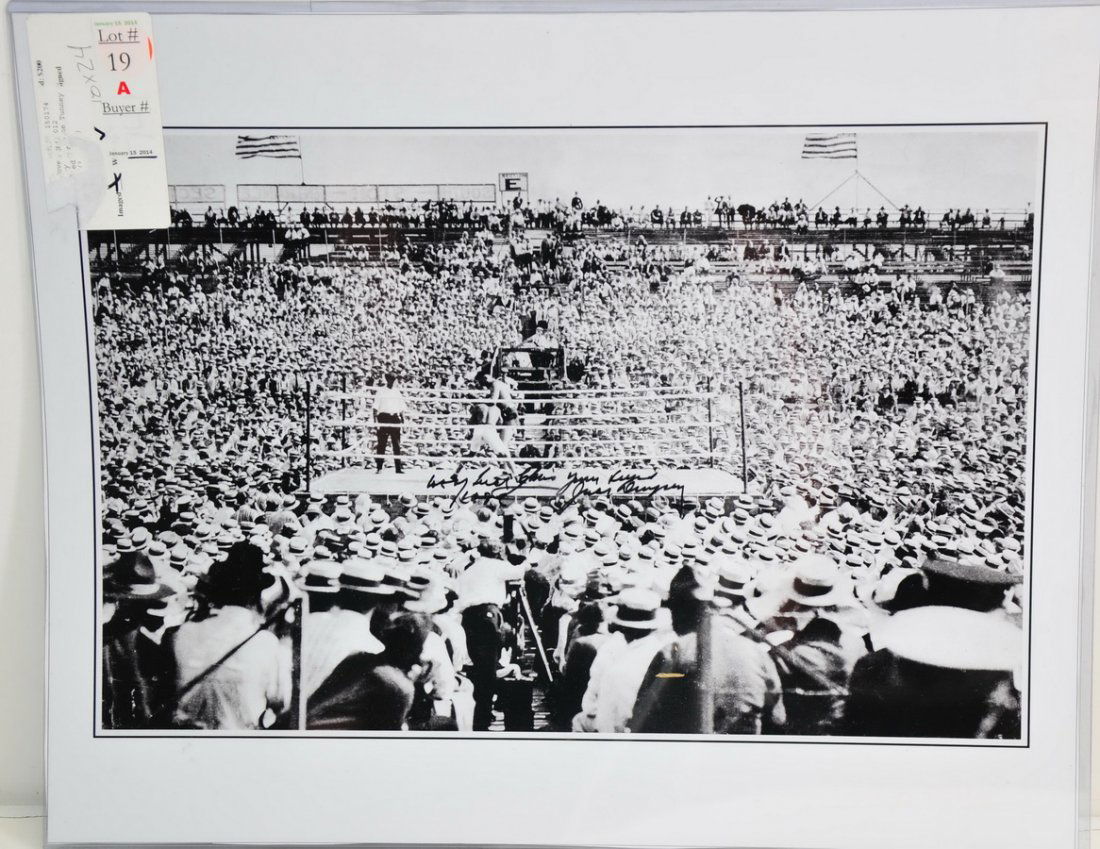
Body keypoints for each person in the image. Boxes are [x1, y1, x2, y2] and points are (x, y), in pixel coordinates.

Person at [172, 543, 291, 730]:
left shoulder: (184, 632)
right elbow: (281, 702)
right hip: (239, 744)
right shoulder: (267, 643)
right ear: (256, 596)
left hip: (187, 745)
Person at [373, 372, 408, 474]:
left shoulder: (397, 392)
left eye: (393, 380)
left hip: (395, 418)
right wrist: (375, 422)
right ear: (386, 379)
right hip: (384, 417)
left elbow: (401, 408)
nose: (392, 381)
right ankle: (379, 467)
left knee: (396, 444)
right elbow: (375, 408)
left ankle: (398, 468)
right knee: (382, 443)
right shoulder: (381, 391)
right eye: (390, 379)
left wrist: (403, 421)